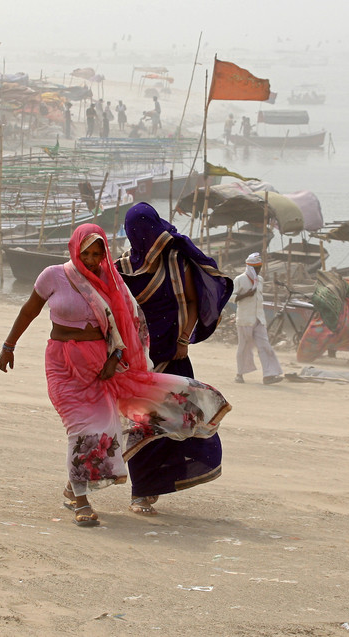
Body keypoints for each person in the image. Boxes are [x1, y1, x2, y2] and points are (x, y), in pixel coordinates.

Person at [0, 224, 231, 527]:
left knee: (105, 427)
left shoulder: (110, 280)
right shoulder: (53, 275)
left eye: (98, 253)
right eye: (87, 253)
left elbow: (126, 323)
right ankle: (81, 500)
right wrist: (9, 345)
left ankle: (73, 489)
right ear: (75, 249)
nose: (93, 259)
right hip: (61, 365)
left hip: (100, 366)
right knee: (80, 428)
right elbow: (29, 310)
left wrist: (116, 356)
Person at [116, 203, 233, 516]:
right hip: (137, 360)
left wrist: (183, 339)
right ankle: (141, 491)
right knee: (141, 425)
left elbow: (193, 301)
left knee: (177, 421)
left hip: (172, 354)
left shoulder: (177, 261)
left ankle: (157, 483)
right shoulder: (122, 268)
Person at [233, 253, 284, 385]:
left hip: (259, 318)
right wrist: (246, 294)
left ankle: (269, 374)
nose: (258, 270)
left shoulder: (260, 280)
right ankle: (239, 374)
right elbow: (231, 298)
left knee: (265, 346)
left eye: (259, 267)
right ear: (250, 267)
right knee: (244, 347)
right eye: (255, 268)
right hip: (245, 319)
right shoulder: (240, 279)